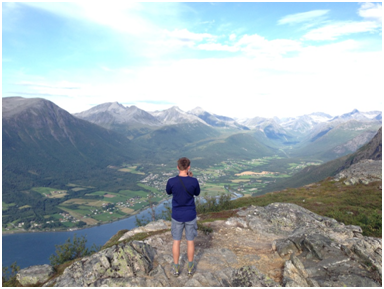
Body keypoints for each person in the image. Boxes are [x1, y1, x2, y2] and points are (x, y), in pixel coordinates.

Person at [166, 157, 200, 277]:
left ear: (178, 167)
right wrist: (190, 178)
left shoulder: (171, 181)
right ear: (188, 167)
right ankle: (190, 268)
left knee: (176, 241)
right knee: (190, 241)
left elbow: (168, 192)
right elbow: (197, 193)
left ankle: (176, 268)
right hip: (190, 214)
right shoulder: (194, 181)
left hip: (177, 215)